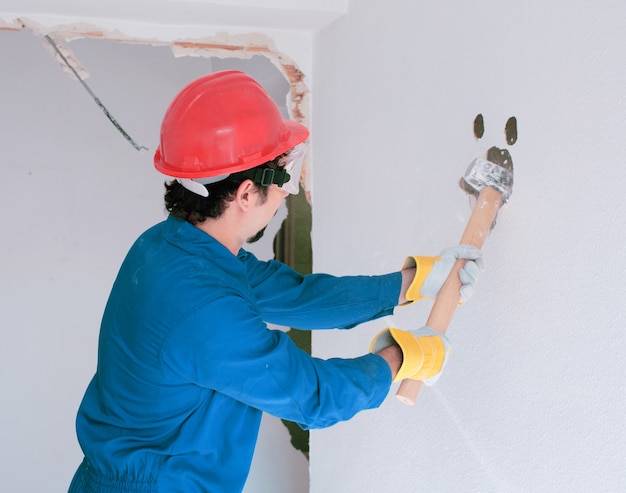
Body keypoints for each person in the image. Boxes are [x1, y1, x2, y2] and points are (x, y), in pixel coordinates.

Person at [68, 70, 482, 493]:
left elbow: (295, 296)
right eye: (284, 175)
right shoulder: (204, 310)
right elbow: (311, 396)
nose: (287, 191)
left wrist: (410, 283)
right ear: (246, 193)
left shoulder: (169, 246)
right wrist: (400, 359)